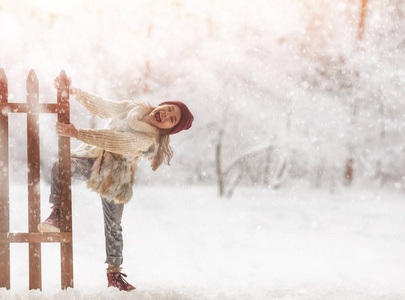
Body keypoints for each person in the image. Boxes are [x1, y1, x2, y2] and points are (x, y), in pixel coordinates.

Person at [38, 79, 194, 291]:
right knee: (60, 166)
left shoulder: (149, 139)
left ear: (169, 129)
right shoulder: (134, 108)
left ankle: (114, 273)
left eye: (171, 119)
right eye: (168, 109)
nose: (165, 115)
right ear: (162, 104)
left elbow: (116, 140)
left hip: (116, 176)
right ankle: (57, 213)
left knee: (113, 226)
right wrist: (73, 91)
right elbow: (105, 106)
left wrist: (77, 133)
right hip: (94, 158)